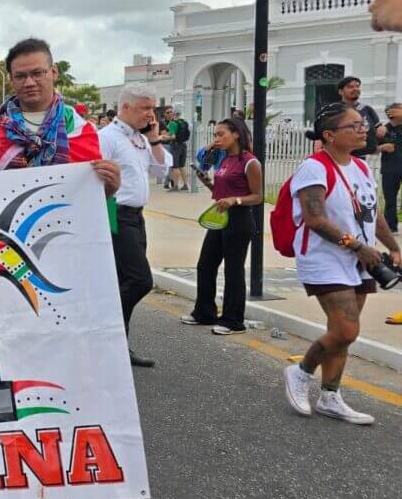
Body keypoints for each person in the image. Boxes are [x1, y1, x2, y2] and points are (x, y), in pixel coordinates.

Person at [282, 102, 400, 426]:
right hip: (325, 258)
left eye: (363, 124)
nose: (364, 128)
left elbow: (373, 214)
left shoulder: (360, 168)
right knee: (347, 328)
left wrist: (392, 246)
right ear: (330, 135)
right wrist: (358, 246)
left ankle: (330, 396)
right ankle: (301, 370)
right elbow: (315, 219)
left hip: (361, 259)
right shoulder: (314, 167)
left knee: (343, 334)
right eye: (354, 126)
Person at [0, 38, 120, 193]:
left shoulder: (80, 130)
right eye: (20, 76)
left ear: (54, 72)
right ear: (11, 80)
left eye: (37, 73)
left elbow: (87, 197)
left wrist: (109, 188)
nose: (29, 82)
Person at [98, 83, 168, 368]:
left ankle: (116, 347)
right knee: (139, 280)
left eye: (152, 108)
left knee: (121, 282)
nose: (151, 115)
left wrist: (154, 140)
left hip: (137, 217)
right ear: (125, 107)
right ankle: (107, 335)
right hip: (116, 214)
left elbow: (162, 171)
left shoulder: (140, 139)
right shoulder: (107, 137)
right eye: (145, 108)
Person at [180, 118, 263, 335]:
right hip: (220, 217)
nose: (217, 139)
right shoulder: (225, 160)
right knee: (205, 264)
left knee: (233, 270)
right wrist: (207, 181)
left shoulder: (250, 162)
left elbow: (257, 196)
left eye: (220, 134)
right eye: (215, 135)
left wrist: (235, 200)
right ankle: (204, 312)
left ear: (236, 134)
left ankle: (233, 320)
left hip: (239, 219)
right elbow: (219, 192)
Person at [320, 76, 380, 158]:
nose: (355, 89)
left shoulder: (367, 109)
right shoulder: (333, 110)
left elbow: (379, 128)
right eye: (350, 87)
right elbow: (321, 133)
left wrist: (381, 130)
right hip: (338, 156)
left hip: (361, 157)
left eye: (357, 86)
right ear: (340, 91)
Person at [378, 102, 401, 234]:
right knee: (390, 198)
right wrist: (382, 147)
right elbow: (372, 148)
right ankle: (391, 227)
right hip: (389, 169)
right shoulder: (383, 130)